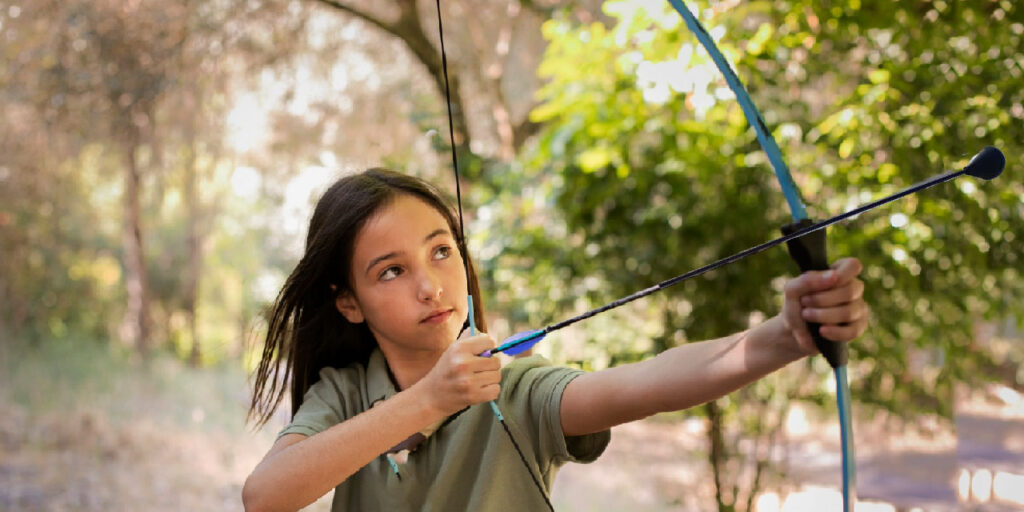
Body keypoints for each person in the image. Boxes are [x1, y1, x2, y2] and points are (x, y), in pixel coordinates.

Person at [241, 168, 869, 512]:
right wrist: (429, 401)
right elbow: (266, 496)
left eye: (441, 251)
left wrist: (785, 337)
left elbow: (642, 383)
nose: (431, 286)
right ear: (347, 301)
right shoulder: (345, 394)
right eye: (392, 270)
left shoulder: (515, 390)